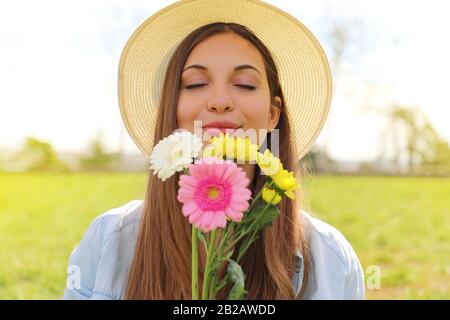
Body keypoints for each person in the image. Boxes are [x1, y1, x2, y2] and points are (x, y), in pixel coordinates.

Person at [64, 0, 365, 300]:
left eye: (245, 84)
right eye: (195, 83)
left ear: (273, 115)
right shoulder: (108, 243)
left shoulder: (333, 261)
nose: (220, 100)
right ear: (172, 109)